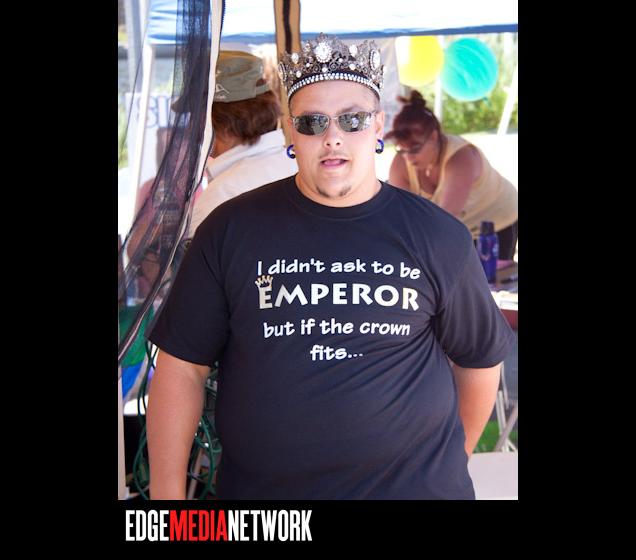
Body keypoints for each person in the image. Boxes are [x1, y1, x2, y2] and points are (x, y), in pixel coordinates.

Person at [146, 33, 515, 500]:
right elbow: (182, 368)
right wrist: (167, 500)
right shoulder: (229, 229)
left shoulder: (438, 235)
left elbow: (479, 360)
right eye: (312, 121)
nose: (332, 136)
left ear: (378, 126)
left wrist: (446, 462)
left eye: (352, 119)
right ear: (289, 131)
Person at [387, 91, 518, 260]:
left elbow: (444, 224)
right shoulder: (401, 164)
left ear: (433, 137)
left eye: (415, 149)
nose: (408, 157)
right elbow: (404, 216)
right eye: (401, 149)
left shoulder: (461, 159)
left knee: (489, 275)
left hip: (496, 220)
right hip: (458, 227)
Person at [188, 50, 298, 237]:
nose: (192, 126)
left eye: (195, 116)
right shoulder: (299, 167)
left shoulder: (220, 196)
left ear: (216, 120)